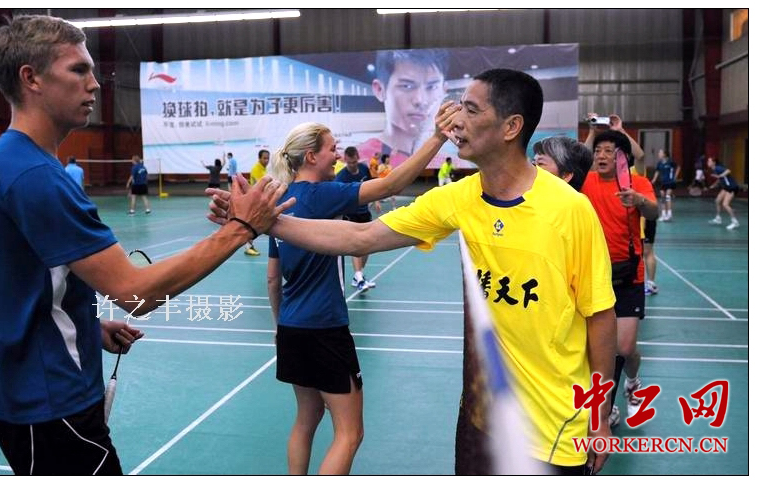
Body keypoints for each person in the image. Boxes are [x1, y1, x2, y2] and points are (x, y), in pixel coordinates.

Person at [210, 69, 617, 475]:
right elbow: (361, 237)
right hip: (482, 419)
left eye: (471, 110)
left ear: (511, 127)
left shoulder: (570, 209)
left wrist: (599, 416)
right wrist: (263, 221)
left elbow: (599, 316)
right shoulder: (458, 197)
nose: (457, 121)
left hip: (553, 428)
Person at [0, 14, 292, 476]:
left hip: (24, 385)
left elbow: (17, 282)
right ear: (31, 78)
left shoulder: (2, 158)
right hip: (49, 398)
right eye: (78, 70)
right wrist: (240, 228)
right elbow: (135, 293)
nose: (95, 84)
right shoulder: (37, 177)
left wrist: (86, 327)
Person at [255, 106, 457, 475]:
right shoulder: (323, 195)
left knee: (306, 419)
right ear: (311, 156)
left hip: (291, 328)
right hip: (325, 328)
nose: (337, 154)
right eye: (331, 148)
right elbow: (392, 185)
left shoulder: (281, 204)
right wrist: (437, 138)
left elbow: (272, 278)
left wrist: (278, 326)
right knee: (349, 433)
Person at [580, 129, 659, 430]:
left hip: (629, 273)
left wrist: (638, 201)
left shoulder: (637, 184)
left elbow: (654, 212)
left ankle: (633, 380)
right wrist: (591, 133)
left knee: (625, 349)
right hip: (593, 274)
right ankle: (608, 407)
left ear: (622, 158)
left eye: (609, 151)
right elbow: (579, 157)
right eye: (598, 150)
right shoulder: (585, 182)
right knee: (599, 349)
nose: (601, 155)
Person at [357, 49, 449, 168]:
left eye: (432, 87)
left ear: (444, 91)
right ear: (380, 89)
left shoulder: (449, 161)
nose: (420, 100)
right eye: (407, 86)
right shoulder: (359, 159)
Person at [335, 146, 376, 292]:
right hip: (350, 214)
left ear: (357, 158)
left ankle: (358, 276)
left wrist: (376, 200)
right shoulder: (341, 177)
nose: (352, 165)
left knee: (368, 245)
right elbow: (337, 199)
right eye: (349, 162)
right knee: (357, 245)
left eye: (354, 162)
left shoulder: (364, 169)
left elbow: (372, 185)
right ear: (345, 160)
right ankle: (359, 278)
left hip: (364, 213)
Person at [242, 150, 272, 256]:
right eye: (264, 158)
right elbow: (263, 184)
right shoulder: (256, 169)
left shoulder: (264, 169)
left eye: (268, 158)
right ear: (259, 158)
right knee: (252, 225)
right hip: (254, 201)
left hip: (261, 201)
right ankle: (248, 247)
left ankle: (249, 245)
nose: (266, 160)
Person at [706, 156, 740, 230]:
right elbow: (720, 179)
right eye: (708, 161)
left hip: (732, 187)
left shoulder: (718, 168)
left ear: (714, 162)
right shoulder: (714, 169)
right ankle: (718, 218)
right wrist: (714, 185)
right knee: (717, 201)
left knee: (725, 204)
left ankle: (735, 222)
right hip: (726, 187)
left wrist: (720, 175)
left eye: (709, 161)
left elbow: (728, 171)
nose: (708, 162)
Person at [650, 149, 680, 221]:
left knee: (667, 196)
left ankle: (669, 214)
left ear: (664, 154)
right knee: (662, 198)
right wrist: (654, 179)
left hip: (670, 182)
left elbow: (678, 167)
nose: (659, 154)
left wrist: (675, 176)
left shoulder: (670, 162)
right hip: (663, 182)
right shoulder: (659, 163)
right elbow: (657, 171)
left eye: (660, 152)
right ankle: (663, 215)